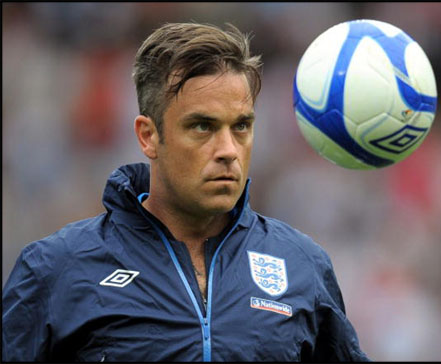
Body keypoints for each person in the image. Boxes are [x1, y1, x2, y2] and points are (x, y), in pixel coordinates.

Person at [2, 22, 369, 362]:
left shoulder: (303, 266)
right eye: (202, 126)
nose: (228, 149)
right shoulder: (57, 269)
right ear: (149, 136)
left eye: (241, 126)